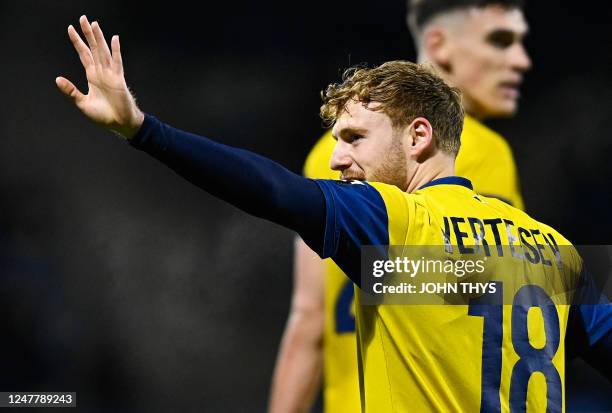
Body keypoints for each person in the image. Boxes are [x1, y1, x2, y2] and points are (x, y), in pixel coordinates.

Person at [56, 17, 612, 412]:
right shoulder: (554, 249)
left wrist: (144, 130)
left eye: (354, 137)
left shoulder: (392, 222)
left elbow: (271, 190)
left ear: (419, 136)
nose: (339, 157)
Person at [270, 1, 531, 411]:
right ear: (439, 44)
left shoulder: (329, 151)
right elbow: (508, 308)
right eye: (499, 42)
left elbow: (309, 320)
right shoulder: (481, 152)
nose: (521, 61)